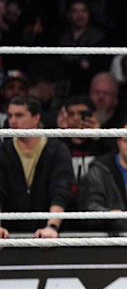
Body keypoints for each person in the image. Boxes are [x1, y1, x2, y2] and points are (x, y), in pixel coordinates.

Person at [0, 96, 73, 238]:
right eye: (10, 115)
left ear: (36, 118)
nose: (13, 121)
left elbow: (61, 190)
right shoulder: (3, 151)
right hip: (10, 233)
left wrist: (51, 226)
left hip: (50, 234)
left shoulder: (57, 150)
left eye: (19, 115)